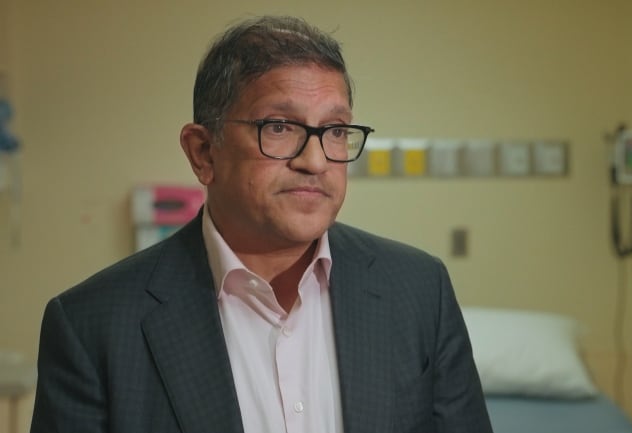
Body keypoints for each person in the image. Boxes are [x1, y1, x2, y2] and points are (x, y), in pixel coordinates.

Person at [30, 15, 492, 433]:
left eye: (334, 131)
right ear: (203, 152)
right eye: (279, 127)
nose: (315, 160)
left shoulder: (417, 290)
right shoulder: (94, 325)